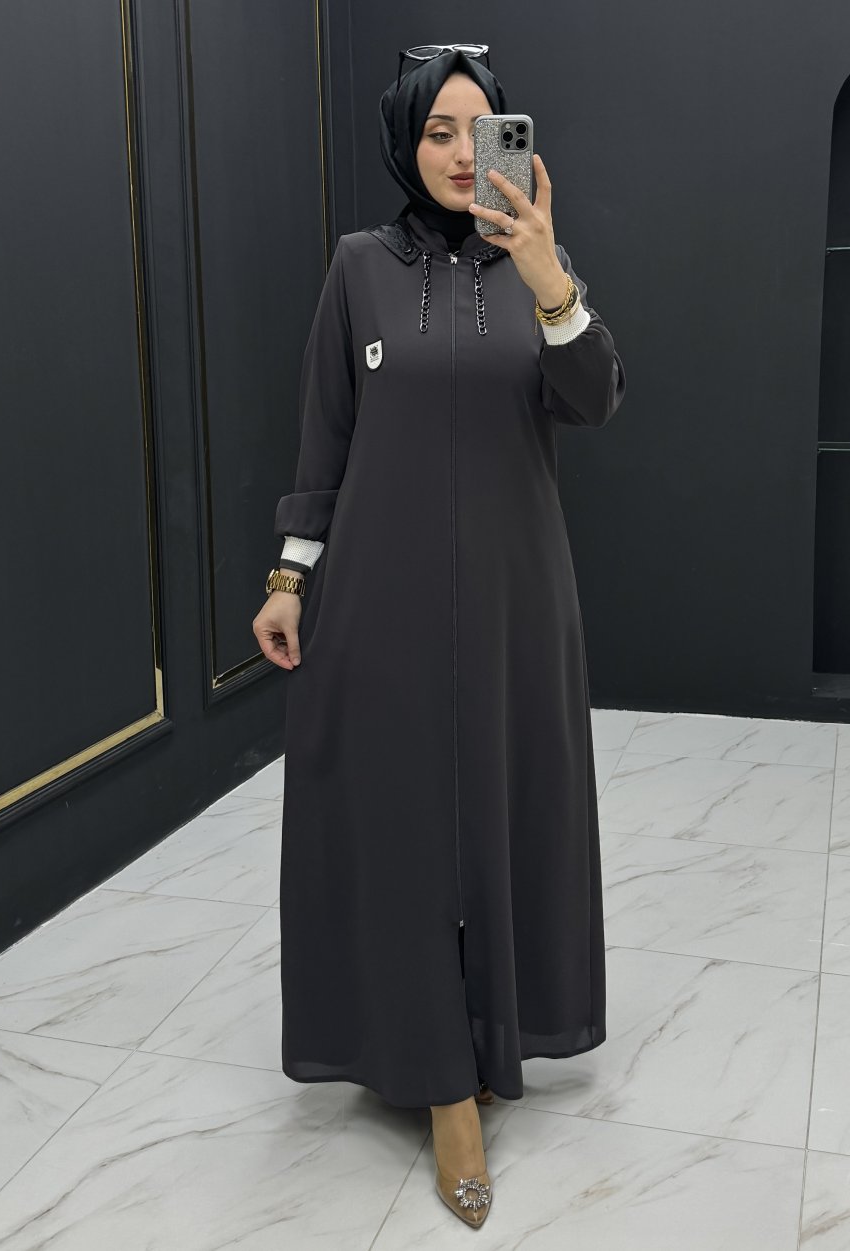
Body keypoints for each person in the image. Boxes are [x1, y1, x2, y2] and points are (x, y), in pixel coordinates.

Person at [252, 43, 626, 1230]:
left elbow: (593, 399)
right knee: (402, 830)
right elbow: (325, 436)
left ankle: (497, 1030)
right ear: (404, 145)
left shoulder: (534, 262)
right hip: (382, 599)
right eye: (438, 132)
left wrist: (548, 275)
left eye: (484, 130)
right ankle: (439, 1083)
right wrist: (288, 579)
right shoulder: (358, 269)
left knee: (508, 813)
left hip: (516, 596)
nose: (465, 154)